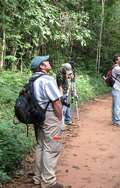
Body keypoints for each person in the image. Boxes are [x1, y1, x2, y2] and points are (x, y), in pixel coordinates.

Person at [31, 55, 64, 188]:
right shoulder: (47, 80)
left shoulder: (32, 80)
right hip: (50, 117)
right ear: (42, 66)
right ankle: (49, 181)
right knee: (52, 147)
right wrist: (60, 119)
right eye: (47, 62)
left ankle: (38, 177)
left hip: (37, 116)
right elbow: (56, 102)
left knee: (40, 145)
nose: (49, 63)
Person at [56, 63, 74, 128]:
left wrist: (70, 77)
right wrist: (62, 97)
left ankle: (68, 120)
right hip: (62, 92)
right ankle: (61, 123)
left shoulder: (67, 72)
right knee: (64, 107)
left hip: (67, 90)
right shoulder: (59, 75)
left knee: (68, 105)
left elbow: (69, 79)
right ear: (64, 69)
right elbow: (60, 86)